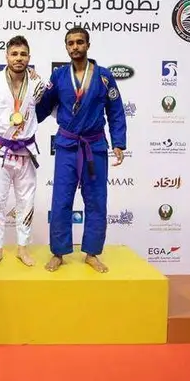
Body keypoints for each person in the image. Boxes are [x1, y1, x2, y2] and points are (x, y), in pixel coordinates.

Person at [35, 27, 127, 273]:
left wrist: (118, 142)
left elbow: (116, 111)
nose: (75, 47)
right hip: (66, 146)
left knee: (96, 201)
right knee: (62, 200)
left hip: (94, 146)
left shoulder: (104, 77)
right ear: (66, 47)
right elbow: (43, 107)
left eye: (79, 42)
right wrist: (22, 123)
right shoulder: (59, 76)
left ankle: (92, 253)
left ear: (88, 45)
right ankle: (59, 252)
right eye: (70, 43)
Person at [0, 35, 45, 267]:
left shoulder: (38, 84)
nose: (19, 58)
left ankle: (22, 248)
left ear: (29, 57)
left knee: (26, 201)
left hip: (26, 149)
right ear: (6, 56)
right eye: (14, 54)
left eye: (23, 54)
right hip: (1, 149)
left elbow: (48, 109)